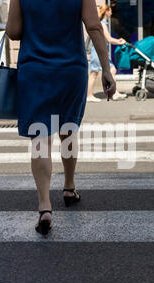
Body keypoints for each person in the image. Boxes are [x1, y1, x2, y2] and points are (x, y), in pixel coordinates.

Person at [6, 0, 116, 236]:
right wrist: (106, 69)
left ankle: (44, 206)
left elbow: (13, 32)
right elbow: (94, 26)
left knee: (40, 137)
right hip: (70, 70)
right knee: (68, 129)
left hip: (34, 71)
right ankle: (69, 187)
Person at [87, 4, 127, 102]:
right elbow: (108, 39)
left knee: (112, 70)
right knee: (94, 74)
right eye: (111, 11)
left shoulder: (103, 23)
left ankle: (115, 93)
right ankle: (89, 95)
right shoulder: (103, 24)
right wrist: (120, 41)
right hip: (98, 53)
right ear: (107, 12)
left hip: (99, 52)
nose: (112, 12)